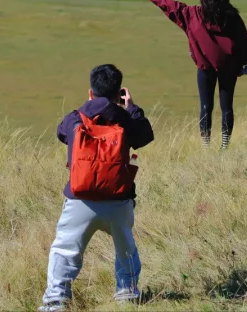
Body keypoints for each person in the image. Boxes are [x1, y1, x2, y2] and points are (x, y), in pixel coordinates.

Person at [40, 63, 154, 311]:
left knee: (65, 249)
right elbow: (145, 135)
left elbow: (61, 134)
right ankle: (127, 293)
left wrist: (87, 110)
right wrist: (132, 109)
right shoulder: (125, 120)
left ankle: (56, 300)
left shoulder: (74, 118)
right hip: (118, 200)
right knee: (125, 249)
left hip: (80, 200)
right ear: (118, 95)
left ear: (91, 92)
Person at [135, 0, 247, 148]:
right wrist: (241, 64)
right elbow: (244, 41)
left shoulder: (193, 15)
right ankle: (224, 147)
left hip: (205, 69)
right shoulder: (233, 17)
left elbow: (173, 7)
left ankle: (206, 146)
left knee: (205, 107)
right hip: (229, 69)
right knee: (227, 107)